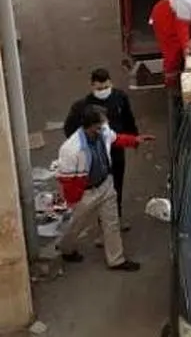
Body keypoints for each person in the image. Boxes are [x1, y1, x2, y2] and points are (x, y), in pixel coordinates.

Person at [55, 105, 154, 271]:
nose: (105, 128)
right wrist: (74, 201)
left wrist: (134, 140)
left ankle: (116, 260)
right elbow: (66, 179)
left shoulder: (103, 131)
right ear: (90, 127)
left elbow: (115, 139)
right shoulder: (70, 149)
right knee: (76, 224)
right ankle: (66, 248)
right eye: (100, 126)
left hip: (106, 184)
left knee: (111, 223)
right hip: (86, 192)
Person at [63, 69, 140, 221]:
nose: (103, 91)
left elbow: (128, 119)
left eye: (106, 87)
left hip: (116, 150)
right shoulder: (84, 106)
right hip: (96, 156)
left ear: (111, 83)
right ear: (92, 86)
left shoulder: (120, 98)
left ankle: (115, 218)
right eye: (99, 88)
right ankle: (103, 222)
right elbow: (69, 128)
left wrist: (134, 138)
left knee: (117, 186)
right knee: (100, 188)